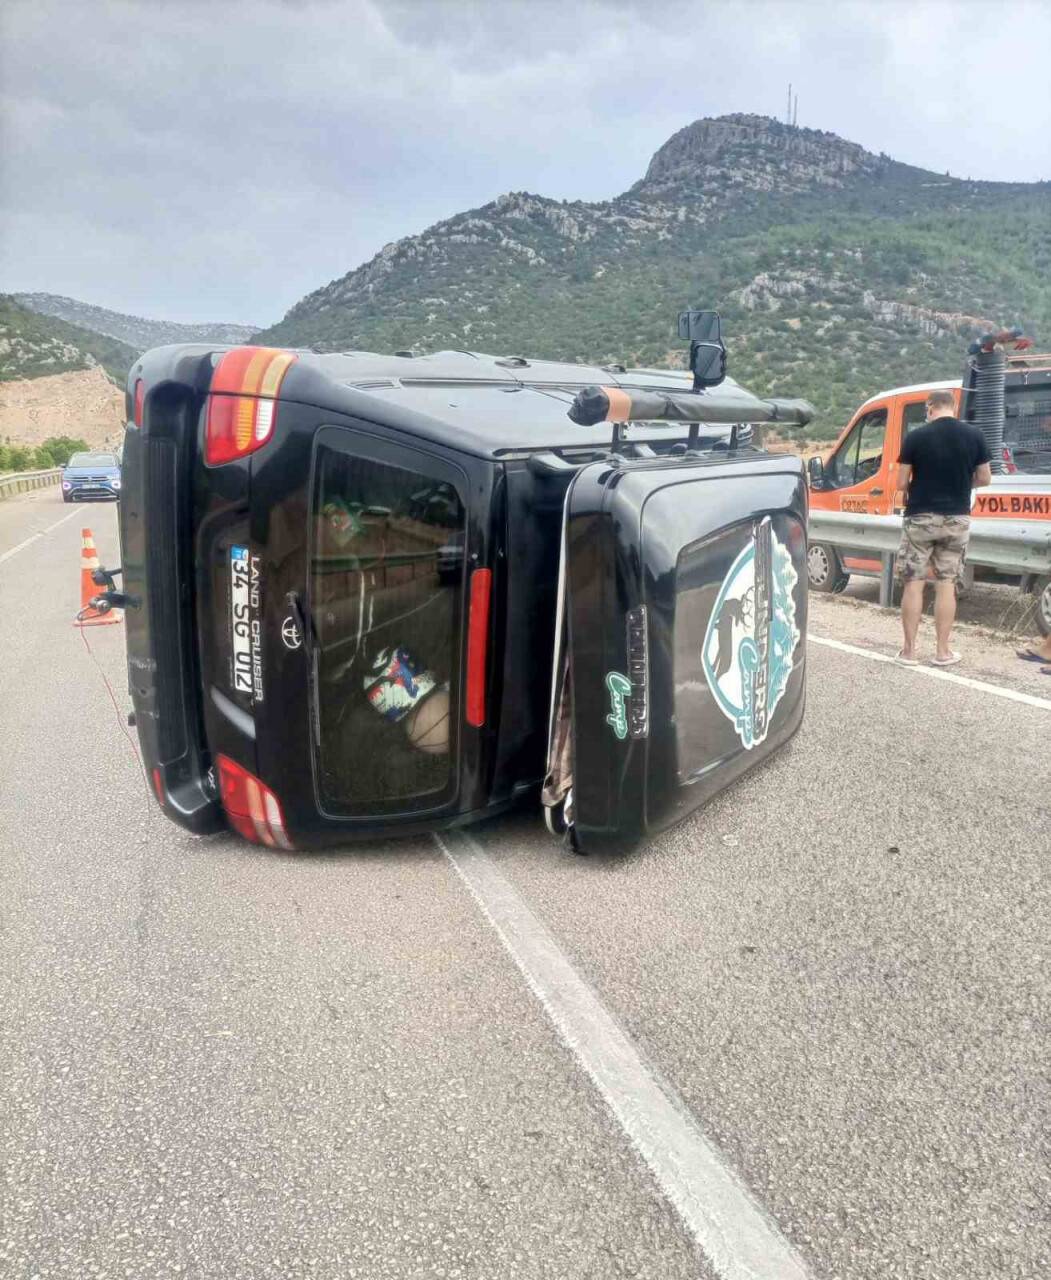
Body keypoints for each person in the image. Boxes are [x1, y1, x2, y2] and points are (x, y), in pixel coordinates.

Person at [895, 389, 992, 666]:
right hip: (957, 518)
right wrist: (962, 482)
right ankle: (942, 652)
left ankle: (909, 652)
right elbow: (985, 478)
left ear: (930, 408)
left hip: (920, 518)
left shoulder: (915, 437)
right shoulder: (975, 436)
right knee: (946, 584)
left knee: (913, 582)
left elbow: (902, 484)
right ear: (953, 407)